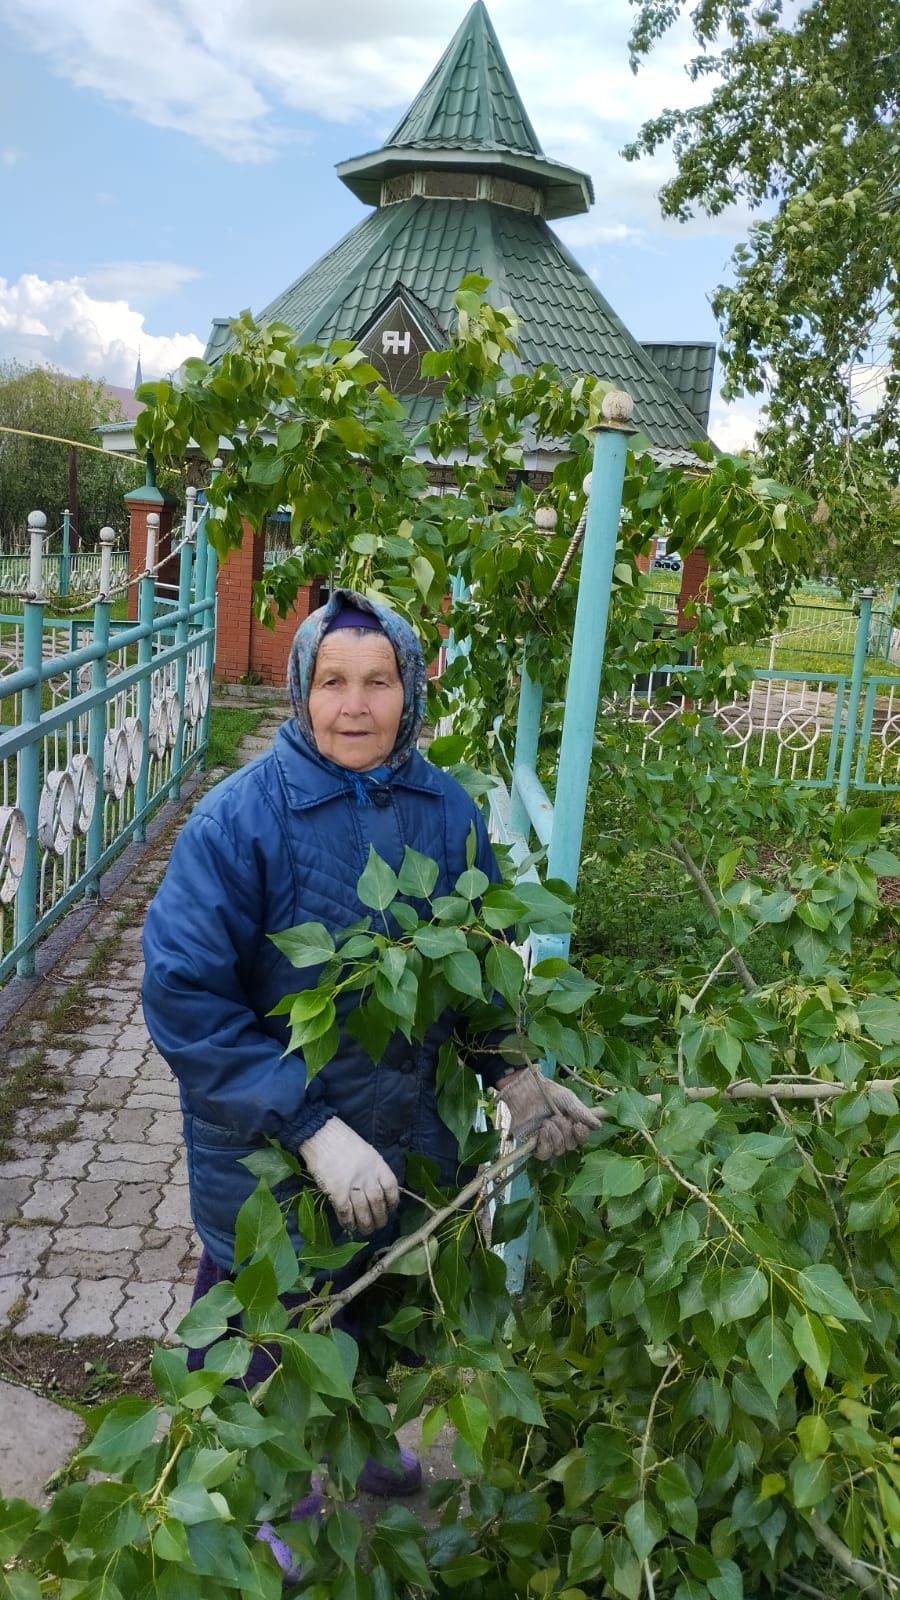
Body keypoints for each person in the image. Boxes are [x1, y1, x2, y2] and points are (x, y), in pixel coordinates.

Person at [141, 589, 597, 1576]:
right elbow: (184, 998)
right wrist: (308, 1124)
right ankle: (270, 1496)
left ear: (411, 689)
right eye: (333, 682)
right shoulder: (238, 823)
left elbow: (473, 965)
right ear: (303, 689)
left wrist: (514, 1074)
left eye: (378, 682)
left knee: (375, 1297)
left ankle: (356, 1436)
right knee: (266, 1323)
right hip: (265, 1160)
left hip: (401, 1143)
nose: (355, 706)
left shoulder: (447, 812)